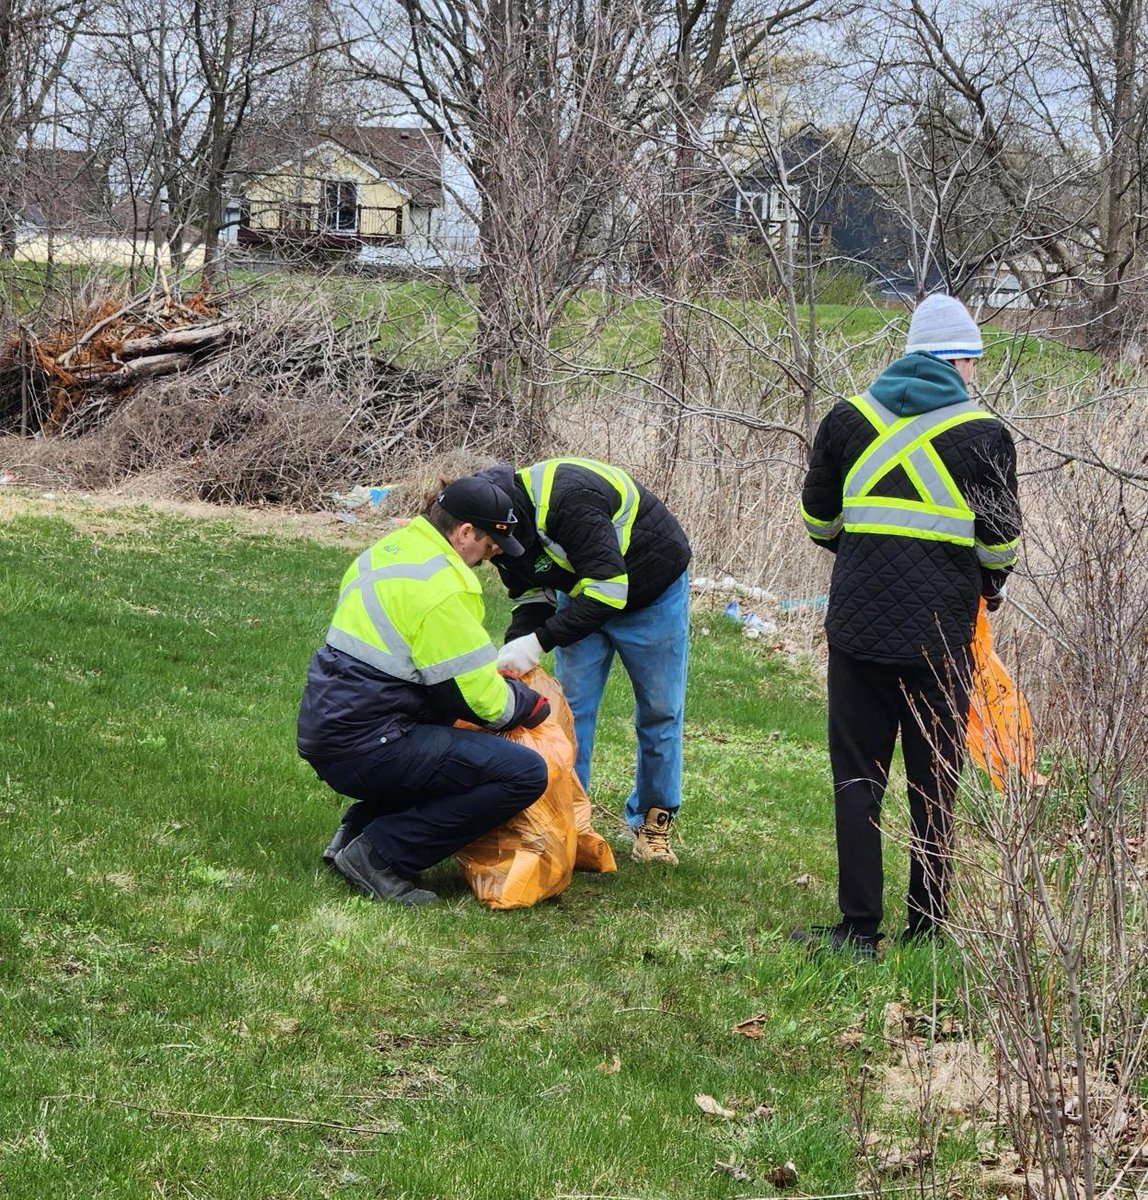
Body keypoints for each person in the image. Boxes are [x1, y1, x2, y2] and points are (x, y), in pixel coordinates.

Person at [796, 294, 1021, 957]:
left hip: (858, 628)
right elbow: (1001, 546)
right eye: (972, 361)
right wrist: (982, 582)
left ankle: (858, 931)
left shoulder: (846, 419)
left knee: (858, 777)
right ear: (955, 360)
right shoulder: (986, 435)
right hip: (942, 637)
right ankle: (928, 926)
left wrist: (872, 552)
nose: (973, 373)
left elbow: (818, 522)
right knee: (935, 781)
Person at [297, 476, 553, 906]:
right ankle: (380, 855)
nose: (491, 556)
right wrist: (530, 703)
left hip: (331, 729)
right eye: (490, 544)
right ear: (465, 531)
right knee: (522, 773)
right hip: (368, 745)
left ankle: (355, 833)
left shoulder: (390, 551)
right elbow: (483, 702)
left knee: (446, 735)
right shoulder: (443, 587)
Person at [468, 458, 692, 865]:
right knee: (570, 710)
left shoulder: (570, 499)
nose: (494, 554)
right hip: (584, 589)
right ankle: (570, 818)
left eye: (492, 547)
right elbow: (531, 596)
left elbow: (609, 592)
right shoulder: (498, 529)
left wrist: (540, 642)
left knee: (660, 711)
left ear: (509, 519)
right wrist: (518, 648)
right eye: (488, 551)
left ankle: (653, 820)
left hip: (650, 590)